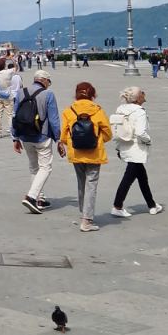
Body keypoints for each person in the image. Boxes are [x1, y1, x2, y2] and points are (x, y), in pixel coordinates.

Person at [57, 82, 112, 233]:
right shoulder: (98, 111)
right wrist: (97, 140)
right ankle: (87, 220)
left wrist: (71, 142)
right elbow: (108, 133)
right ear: (92, 94)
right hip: (94, 153)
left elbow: (64, 135)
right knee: (91, 184)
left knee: (81, 183)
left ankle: (84, 213)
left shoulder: (69, 111)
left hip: (76, 153)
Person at [12, 70, 61, 215]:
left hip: (25, 136)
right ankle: (32, 197)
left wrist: (15, 137)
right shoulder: (48, 94)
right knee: (45, 168)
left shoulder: (21, 92)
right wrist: (58, 139)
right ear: (44, 80)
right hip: (42, 136)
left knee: (34, 168)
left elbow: (15, 116)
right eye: (49, 82)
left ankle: (40, 199)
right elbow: (54, 119)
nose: (49, 84)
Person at [109, 87, 162, 217]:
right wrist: (149, 140)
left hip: (124, 145)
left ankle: (152, 205)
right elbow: (140, 132)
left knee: (142, 177)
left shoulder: (121, 109)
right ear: (138, 98)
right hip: (136, 148)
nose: (144, 94)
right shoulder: (140, 112)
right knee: (128, 178)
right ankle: (117, 206)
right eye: (142, 93)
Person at [0, 55, 23, 139]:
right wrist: (12, 59)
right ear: (4, 65)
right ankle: (12, 131)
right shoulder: (8, 73)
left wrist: (3, 58)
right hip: (8, 96)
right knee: (10, 115)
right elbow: (16, 67)